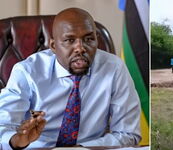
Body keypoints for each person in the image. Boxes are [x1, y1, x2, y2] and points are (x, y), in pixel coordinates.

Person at [0, 8, 141, 149]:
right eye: (69, 40)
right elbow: (3, 127)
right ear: (54, 46)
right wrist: (18, 140)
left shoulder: (114, 68)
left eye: (89, 39)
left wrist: (80, 149)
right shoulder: (27, 71)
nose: (80, 48)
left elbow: (128, 134)